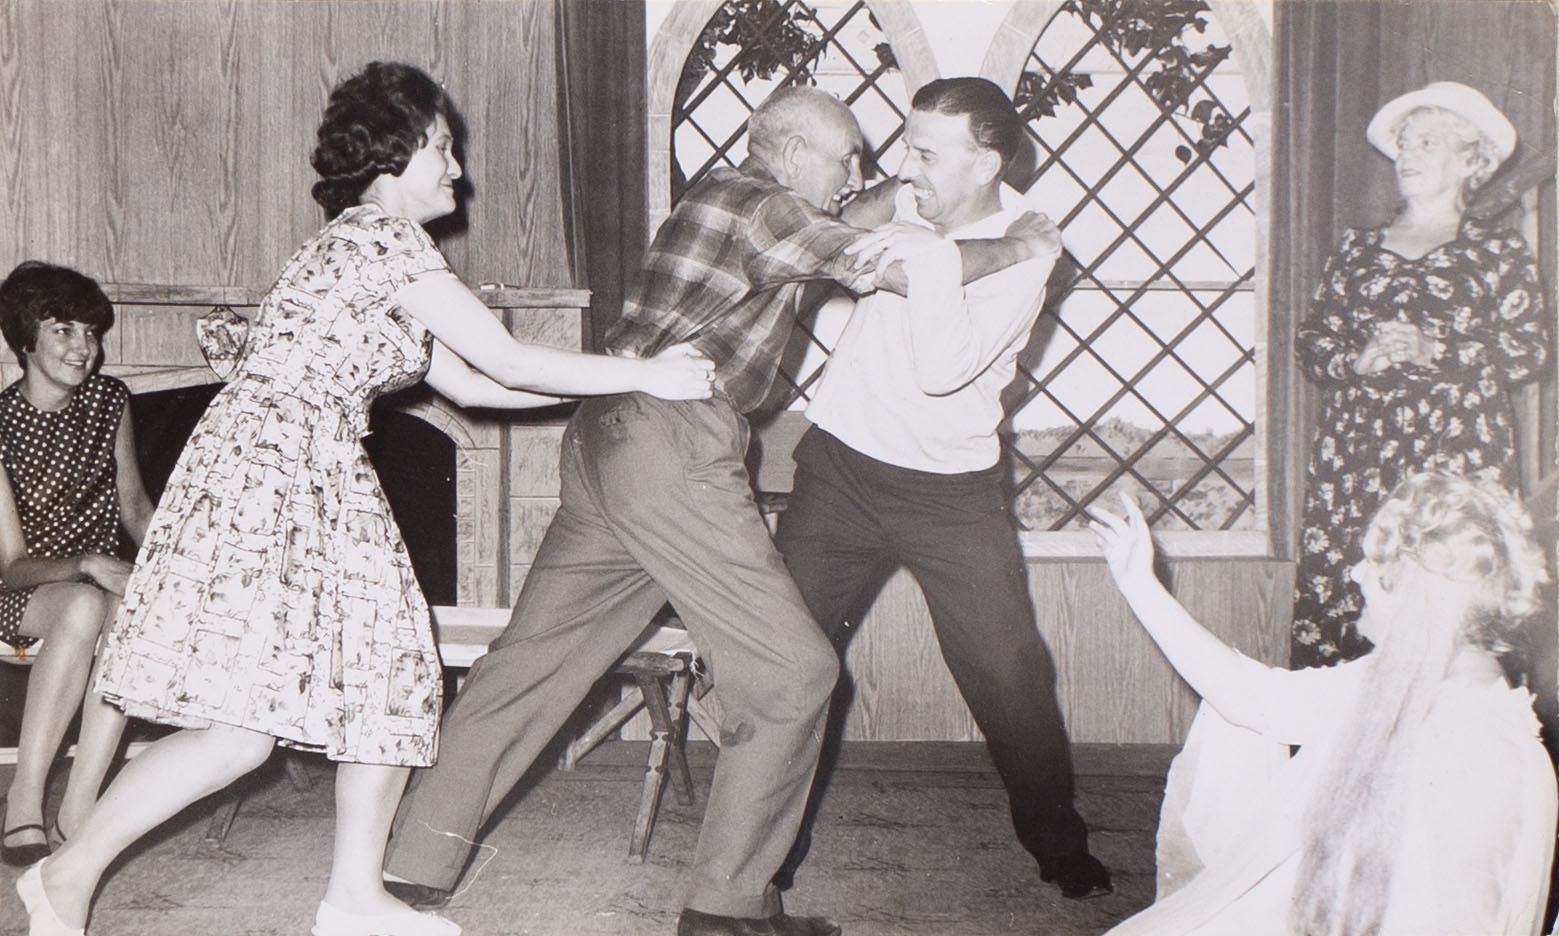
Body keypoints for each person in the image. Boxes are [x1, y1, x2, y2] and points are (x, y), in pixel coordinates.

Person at [17, 61, 718, 936]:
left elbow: (480, 389)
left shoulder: (356, 251)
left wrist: (625, 387)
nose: (456, 170)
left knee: (384, 678)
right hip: (278, 476)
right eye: (441, 148)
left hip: (296, 470)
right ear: (392, 156)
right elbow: (506, 360)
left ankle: (351, 897)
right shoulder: (382, 242)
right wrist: (648, 369)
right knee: (255, 723)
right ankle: (70, 874)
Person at [381, 85, 1056, 936]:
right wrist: (1017, 244)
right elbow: (891, 265)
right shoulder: (769, 208)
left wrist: (889, 194)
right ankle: (726, 910)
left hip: (607, 440)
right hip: (671, 442)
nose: (863, 173)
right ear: (793, 152)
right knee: (794, 676)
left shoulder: (732, 194)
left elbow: (866, 213)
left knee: (532, 661)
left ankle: (409, 865)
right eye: (847, 156)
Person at [769, 77, 1111, 902]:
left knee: (1007, 670)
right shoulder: (903, 201)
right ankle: (759, 859)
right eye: (905, 144)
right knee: (786, 662)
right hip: (841, 470)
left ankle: (1058, 843)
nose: (902, 163)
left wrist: (932, 246)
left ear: (985, 160)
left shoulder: (1026, 245)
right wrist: (900, 196)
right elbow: (824, 230)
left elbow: (939, 368)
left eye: (925, 151)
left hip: (947, 493)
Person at [1091, 470, 1555, 935]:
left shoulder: (1479, 756)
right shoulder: (1409, 676)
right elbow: (1253, 699)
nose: (1355, 575)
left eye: (1372, 564)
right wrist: (1140, 586)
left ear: (1414, 588)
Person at [1292, 80, 1550, 668]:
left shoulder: (1497, 253)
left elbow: (1528, 350)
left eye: (1427, 142)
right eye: (1405, 143)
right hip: (1358, 459)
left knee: (1455, 616)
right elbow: (1312, 343)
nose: (1407, 154)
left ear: (1471, 159)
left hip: (1457, 458)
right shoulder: (1357, 249)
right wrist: (1353, 360)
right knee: (1352, 606)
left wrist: (1441, 348)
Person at [0, 263, 154, 869]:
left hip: (99, 585)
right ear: (23, 341)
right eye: (62, 330)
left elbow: (137, 507)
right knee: (89, 602)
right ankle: (25, 801)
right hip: (23, 589)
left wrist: (180, 566)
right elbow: (10, 566)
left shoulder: (109, 401)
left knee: (129, 610)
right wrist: (90, 563)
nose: (82, 348)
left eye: (90, 332)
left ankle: (80, 808)